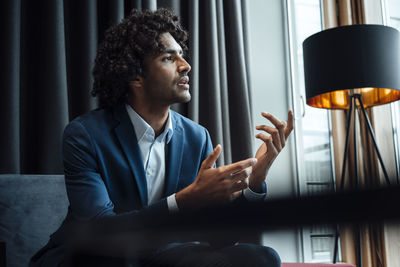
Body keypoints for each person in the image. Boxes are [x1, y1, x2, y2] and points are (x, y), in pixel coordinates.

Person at [30, 8, 293, 267]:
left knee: (263, 258)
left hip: (158, 255)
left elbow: (220, 238)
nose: (186, 65)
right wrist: (182, 202)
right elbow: (99, 228)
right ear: (135, 74)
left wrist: (255, 182)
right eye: (169, 58)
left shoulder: (197, 137)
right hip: (91, 254)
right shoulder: (85, 134)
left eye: (182, 55)